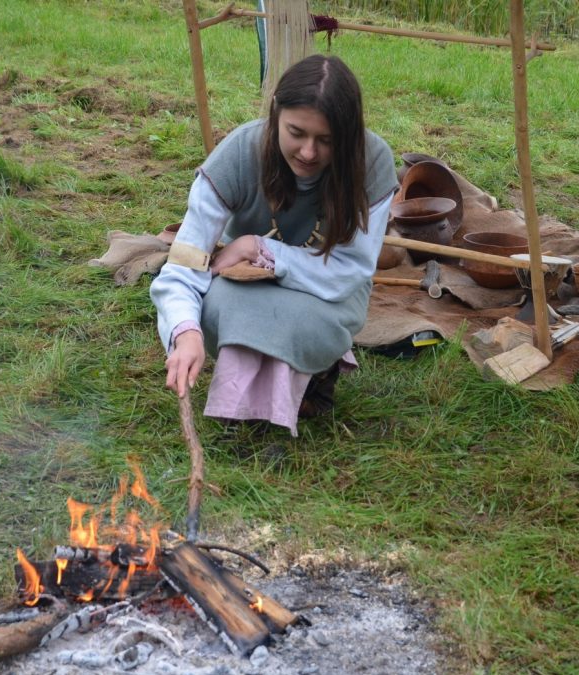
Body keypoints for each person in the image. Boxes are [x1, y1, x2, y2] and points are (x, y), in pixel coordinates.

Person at [150, 54, 398, 435]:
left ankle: (314, 375)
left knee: (306, 322)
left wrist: (263, 249)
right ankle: (246, 404)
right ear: (275, 115)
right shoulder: (237, 154)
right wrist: (185, 333)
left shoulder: (372, 162)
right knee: (221, 309)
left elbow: (351, 270)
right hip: (244, 284)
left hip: (329, 288)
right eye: (296, 133)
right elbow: (185, 262)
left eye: (327, 141)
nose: (309, 153)